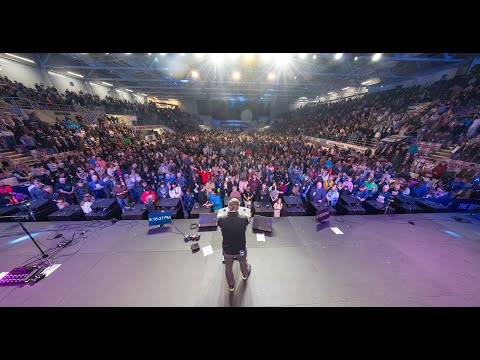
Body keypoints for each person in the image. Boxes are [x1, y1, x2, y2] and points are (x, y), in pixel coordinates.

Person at [217, 198, 252, 292]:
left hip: (228, 250)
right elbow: (248, 220)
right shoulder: (244, 219)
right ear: (239, 207)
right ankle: (245, 275)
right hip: (240, 249)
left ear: (228, 207)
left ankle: (231, 286)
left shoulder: (221, 219)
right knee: (243, 262)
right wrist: (248, 216)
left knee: (228, 268)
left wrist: (218, 216)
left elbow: (219, 223)